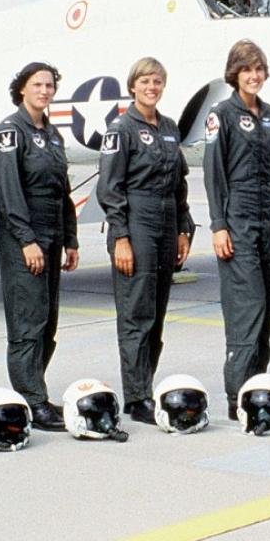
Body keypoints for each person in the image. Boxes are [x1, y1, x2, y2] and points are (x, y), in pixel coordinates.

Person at [96, 57, 193, 424]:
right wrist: (121, 237)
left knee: (157, 312)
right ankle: (136, 398)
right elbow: (110, 188)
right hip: (136, 220)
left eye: (157, 81)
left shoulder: (169, 128)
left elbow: (179, 183)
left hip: (166, 221)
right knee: (136, 312)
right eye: (145, 81)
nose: (151, 87)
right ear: (132, 86)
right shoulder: (121, 129)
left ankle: (145, 385)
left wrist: (183, 228)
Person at [203, 39, 270, 420]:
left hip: (267, 217)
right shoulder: (221, 115)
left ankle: (257, 387)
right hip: (237, 218)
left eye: (258, 69)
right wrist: (219, 225)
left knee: (266, 305)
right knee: (247, 306)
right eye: (246, 70)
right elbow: (213, 174)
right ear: (234, 74)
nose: (254, 76)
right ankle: (236, 394)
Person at [0, 62, 79, 431]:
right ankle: (30, 398)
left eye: (49, 85)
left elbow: (62, 190)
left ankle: (35, 391)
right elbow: (9, 193)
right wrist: (26, 240)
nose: (44, 91)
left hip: (52, 231)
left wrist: (71, 238)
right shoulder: (10, 132)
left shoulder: (53, 134)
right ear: (22, 89)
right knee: (28, 319)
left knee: (47, 320)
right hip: (24, 234)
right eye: (37, 84)